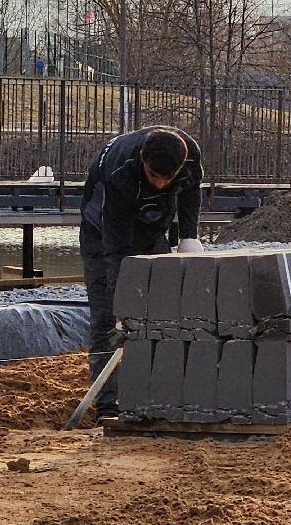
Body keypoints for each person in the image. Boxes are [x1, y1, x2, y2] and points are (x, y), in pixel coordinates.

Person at [79, 125, 204, 420]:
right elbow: (117, 249)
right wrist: (123, 300)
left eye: (167, 179)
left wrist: (188, 237)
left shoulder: (189, 156)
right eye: (153, 177)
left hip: (151, 231)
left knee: (164, 311)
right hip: (104, 235)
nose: (160, 185)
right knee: (108, 319)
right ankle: (108, 405)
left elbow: (190, 193)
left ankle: (158, 397)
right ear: (143, 162)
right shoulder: (120, 172)